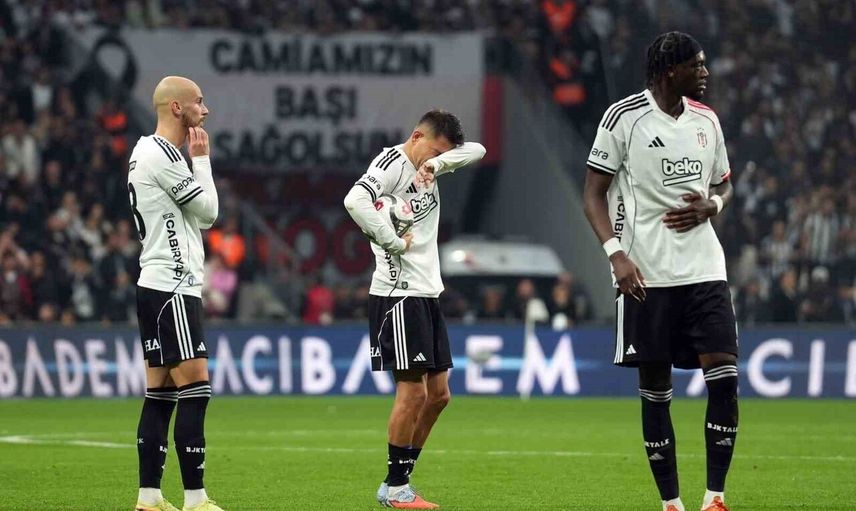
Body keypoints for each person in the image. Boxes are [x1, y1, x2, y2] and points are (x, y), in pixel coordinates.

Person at [582, 32, 738, 511]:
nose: (705, 73)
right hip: (646, 275)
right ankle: (672, 503)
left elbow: (724, 185)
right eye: (697, 65)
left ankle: (715, 497)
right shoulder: (623, 117)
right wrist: (615, 255)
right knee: (656, 392)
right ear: (672, 70)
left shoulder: (707, 120)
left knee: (725, 377)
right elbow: (592, 194)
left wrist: (712, 205)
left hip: (705, 268)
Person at [343, 110, 485, 509]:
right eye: (434, 151)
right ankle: (396, 488)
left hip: (426, 291)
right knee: (413, 393)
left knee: (439, 396)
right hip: (399, 294)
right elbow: (354, 200)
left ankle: (398, 481)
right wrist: (390, 241)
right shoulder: (391, 164)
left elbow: (478, 149)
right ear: (417, 136)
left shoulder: (431, 164)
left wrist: (436, 163)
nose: (435, 160)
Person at [129, 76, 224, 511]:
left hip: (156, 284)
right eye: (198, 102)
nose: (205, 110)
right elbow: (209, 212)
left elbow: (198, 217)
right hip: (172, 285)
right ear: (176, 108)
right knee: (196, 389)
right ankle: (196, 499)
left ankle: (149, 498)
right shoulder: (163, 154)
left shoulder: (146, 152)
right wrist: (201, 160)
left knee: (161, 393)